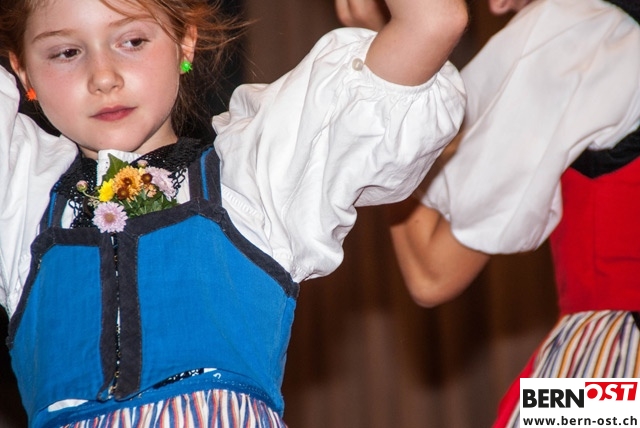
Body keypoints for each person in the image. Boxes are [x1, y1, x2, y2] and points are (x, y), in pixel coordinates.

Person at [0, 0, 468, 426]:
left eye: (133, 41)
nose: (103, 77)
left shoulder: (254, 180)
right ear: (22, 71)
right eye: (66, 52)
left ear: (185, 42)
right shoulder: (21, 200)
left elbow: (433, 21)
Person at [337, 0, 640, 426]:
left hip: (617, 363)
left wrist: (392, 63)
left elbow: (432, 272)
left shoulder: (574, 25)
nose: (496, 7)